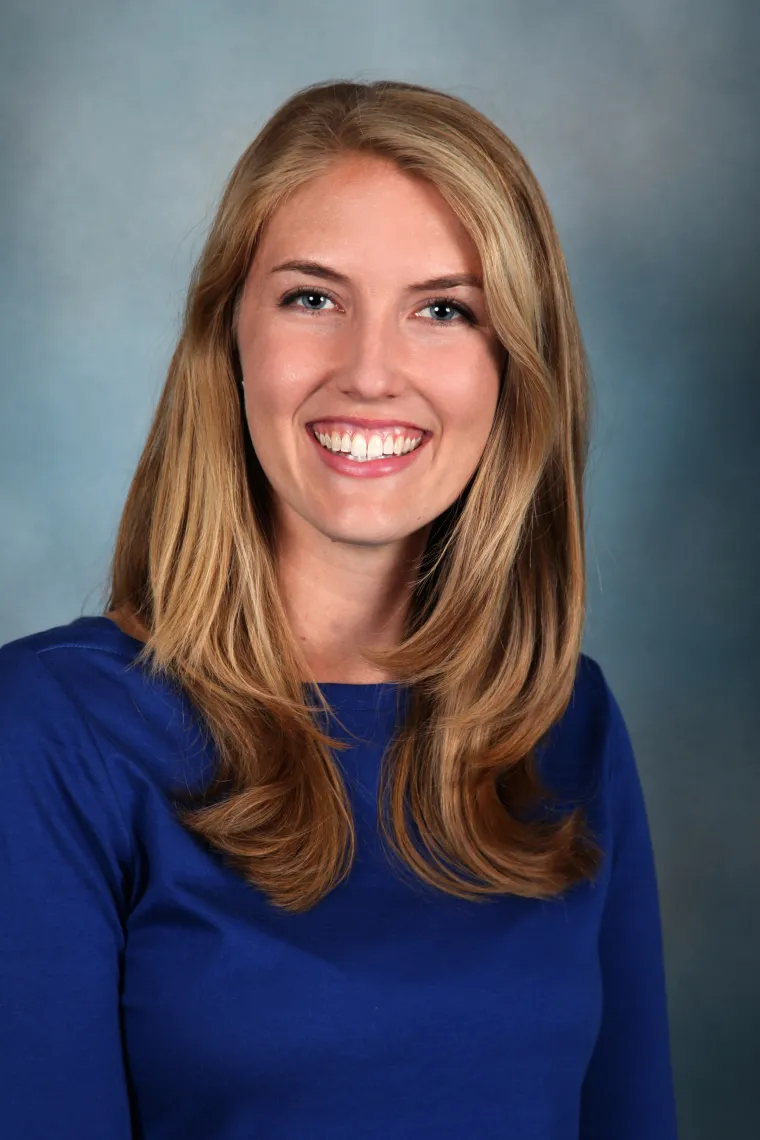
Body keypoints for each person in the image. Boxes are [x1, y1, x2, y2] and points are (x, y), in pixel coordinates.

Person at [0, 79, 678, 1138]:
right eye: (312, 299)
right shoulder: (51, 731)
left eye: (443, 310)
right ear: (229, 338)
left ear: (516, 372)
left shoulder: (565, 723)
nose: (370, 373)